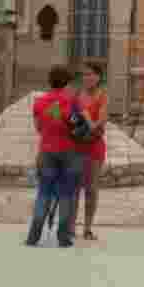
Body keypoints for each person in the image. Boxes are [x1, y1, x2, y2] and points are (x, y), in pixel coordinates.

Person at [26, 66, 84, 248]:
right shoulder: (72, 102)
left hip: (47, 151)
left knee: (44, 193)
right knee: (67, 194)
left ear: (49, 82)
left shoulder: (39, 102)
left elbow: (38, 128)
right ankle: (63, 238)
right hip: (70, 152)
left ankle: (33, 236)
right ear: (67, 82)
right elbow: (78, 128)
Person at [73, 63, 108, 241]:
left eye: (90, 74)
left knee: (91, 189)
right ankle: (70, 226)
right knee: (73, 188)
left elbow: (100, 123)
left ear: (98, 76)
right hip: (76, 147)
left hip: (94, 147)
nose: (86, 77)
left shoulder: (102, 96)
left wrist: (86, 117)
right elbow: (60, 116)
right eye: (84, 74)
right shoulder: (76, 95)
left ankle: (87, 228)